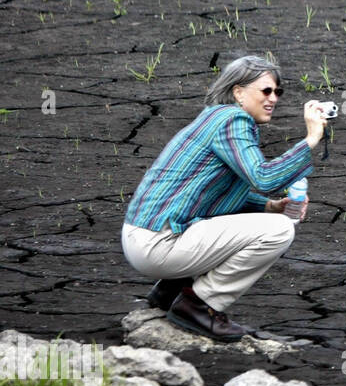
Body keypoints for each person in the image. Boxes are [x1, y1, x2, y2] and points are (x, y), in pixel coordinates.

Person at [120, 55, 329, 341]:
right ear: (238, 91)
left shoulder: (214, 118)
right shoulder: (234, 121)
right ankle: (198, 305)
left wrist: (269, 206)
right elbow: (264, 178)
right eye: (265, 91)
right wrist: (311, 138)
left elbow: (211, 192)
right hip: (158, 244)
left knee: (264, 219)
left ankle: (171, 289)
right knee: (279, 230)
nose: (273, 98)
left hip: (143, 238)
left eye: (277, 92)